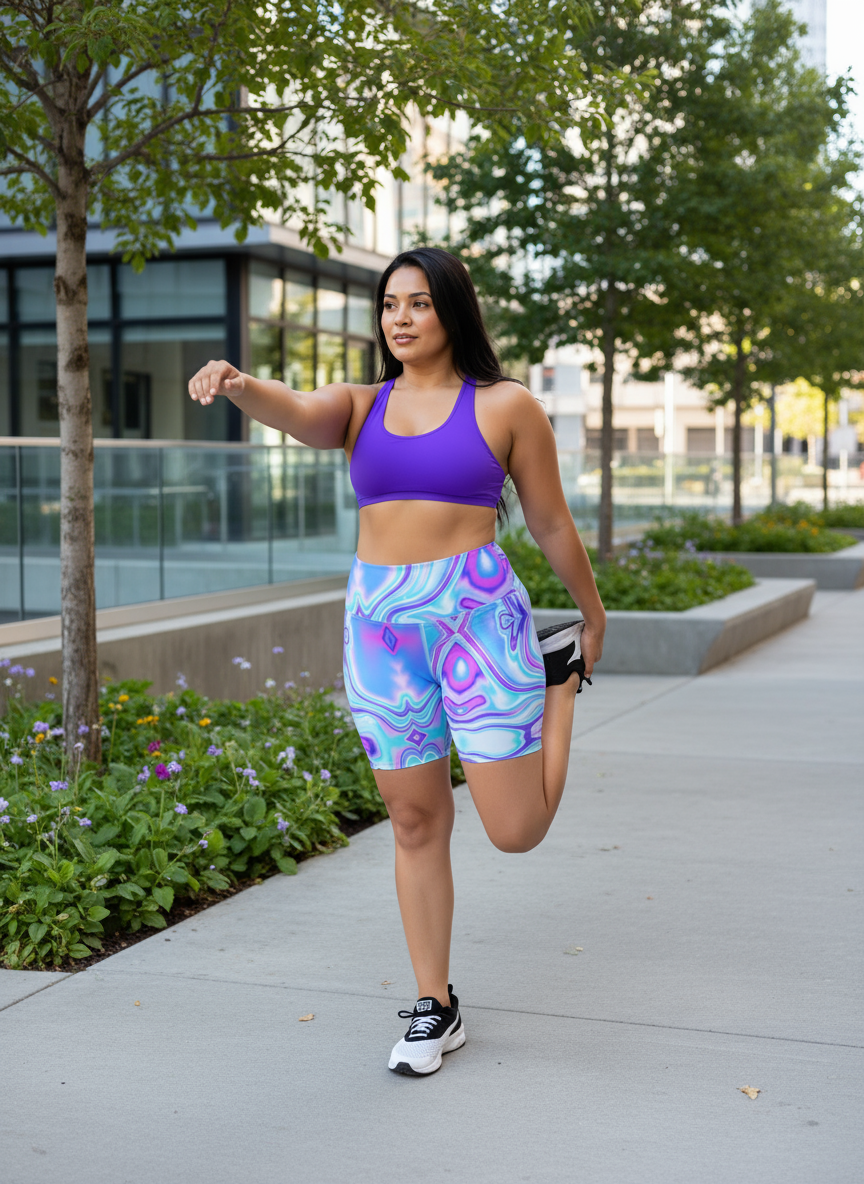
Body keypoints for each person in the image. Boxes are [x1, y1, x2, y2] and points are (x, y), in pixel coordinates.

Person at [188, 247, 607, 1076]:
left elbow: (551, 522)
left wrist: (591, 614)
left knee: (515, 832)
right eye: (389, 306)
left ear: (452, 310)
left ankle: (558, 688)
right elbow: (301, 411)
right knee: (414, 821)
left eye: (418, 302)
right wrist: (241, 385)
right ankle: (434, 1005)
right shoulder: (359, 404)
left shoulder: (506, 405)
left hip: (477, 620)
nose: (401, 318)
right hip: (381, 630)